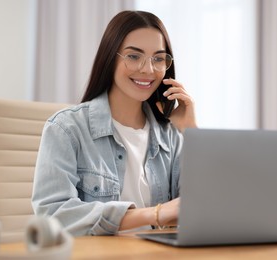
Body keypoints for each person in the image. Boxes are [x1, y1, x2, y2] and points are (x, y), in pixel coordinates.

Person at [31, 10, 197, 236]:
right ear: (110, 58)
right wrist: (153, 214)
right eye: (133, 56)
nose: (148, 69)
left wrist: (191, 133)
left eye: (158, 58)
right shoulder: (66, 129)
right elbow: (53, 215)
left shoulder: (170, 136)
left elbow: (204, 209)